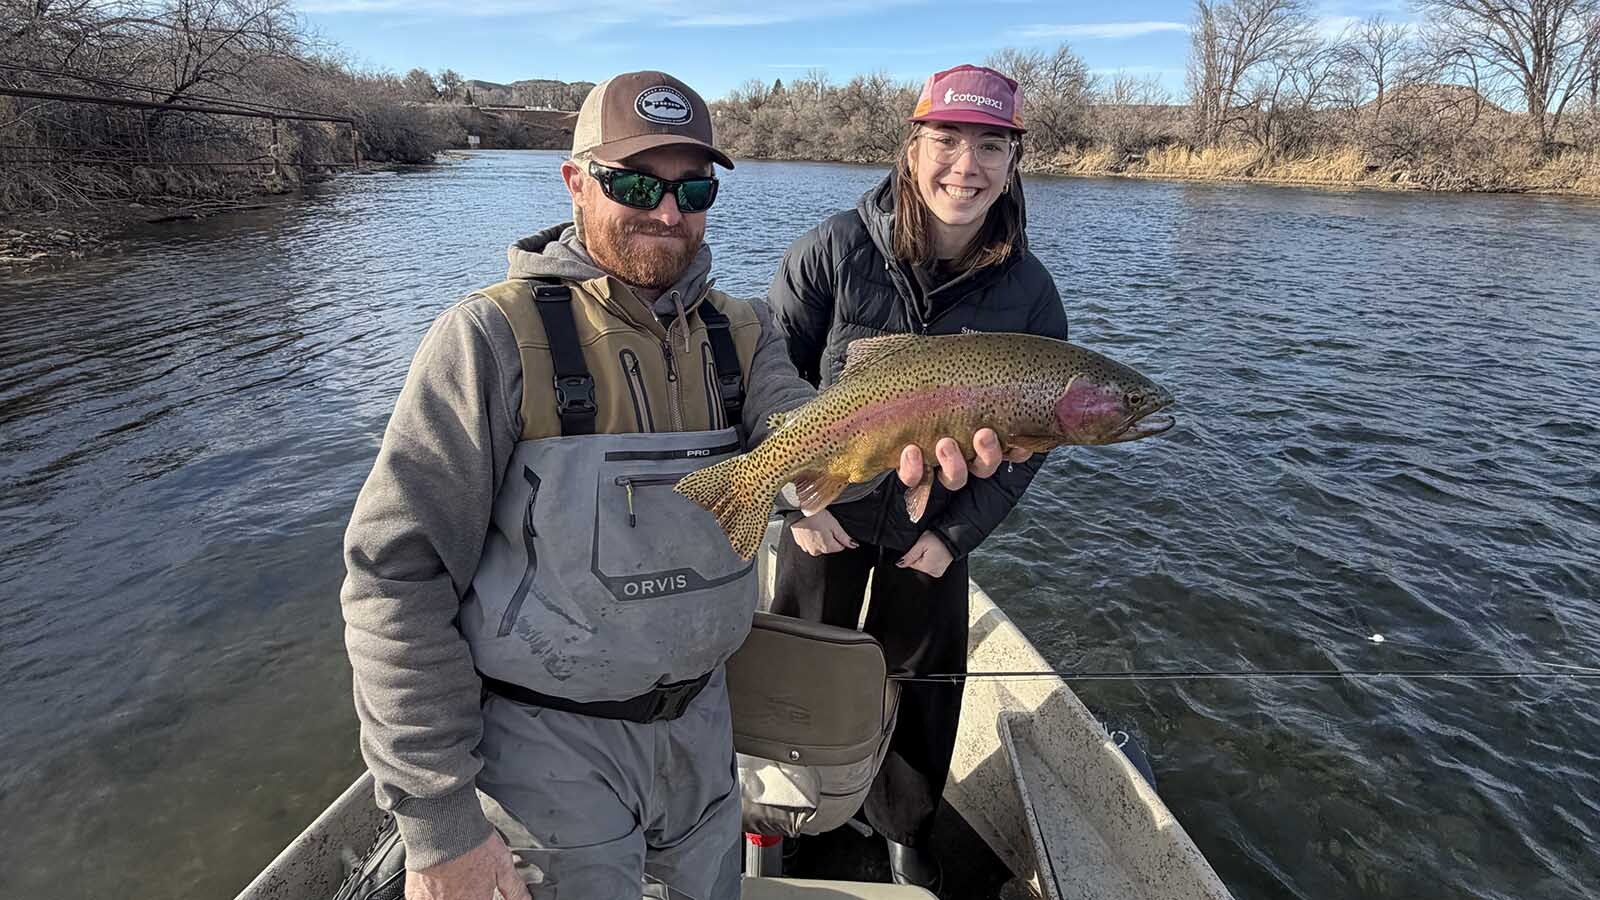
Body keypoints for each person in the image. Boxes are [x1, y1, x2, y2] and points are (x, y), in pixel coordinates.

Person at [340, 69, 1019, 900]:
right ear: (575, 181)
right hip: (542, 752)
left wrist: (898, 439)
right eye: (635, 184)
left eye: (693, 188)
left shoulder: (745, 331)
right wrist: (441, 826)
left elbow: (799, 443)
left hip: (705, 731)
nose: (667, 212)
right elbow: (395, 580)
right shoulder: (487, 339)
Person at [766, 63, 1069, 888]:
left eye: (990, 147)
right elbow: (765, 383)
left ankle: (903, 827)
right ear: (911, 148)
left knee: (925, 685)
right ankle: (785, 811)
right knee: (799, 663)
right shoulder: (831, 250)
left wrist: (956, 534)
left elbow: (1035, 447)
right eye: (947, 140)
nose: (966, 166)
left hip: (933, 527)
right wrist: (793, 505)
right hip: (823, 510)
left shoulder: (1031, 294)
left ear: (1014, 161)